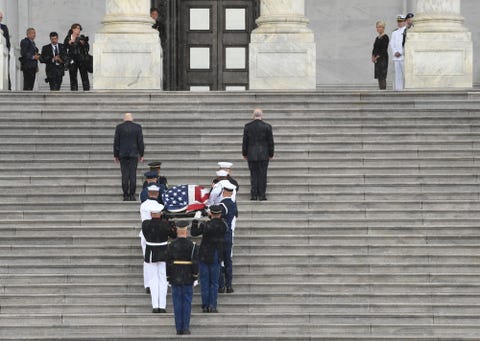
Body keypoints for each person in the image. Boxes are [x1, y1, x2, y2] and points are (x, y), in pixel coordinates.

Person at [191, 205, 227, 313]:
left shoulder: (206, 225)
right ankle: (213, 305)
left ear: (211, 213)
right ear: (220, 214)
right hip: (216, 254)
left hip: (204, 254)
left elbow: (194, 232)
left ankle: (205, 305)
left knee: (205, 281)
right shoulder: (223, 226)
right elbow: (220, 222)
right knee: (214, 282)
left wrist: (195, 220)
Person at [166, 221, 199, 335]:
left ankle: (178, 328)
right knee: (187, 303)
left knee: (177, 304)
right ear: (186, 231)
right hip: (188, 277)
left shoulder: (171, 245)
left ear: (177, 231)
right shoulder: (193, 245)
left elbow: (168, 263)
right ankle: (185, 327)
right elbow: (195, 263)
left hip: (175, 276)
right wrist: (195, 276)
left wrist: (168, 277)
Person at [142, 206, 177, 313]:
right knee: (163, 280)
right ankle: (162, 306)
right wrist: (171, 224)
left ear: (151, 213)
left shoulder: (145, 224)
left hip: (151, 253)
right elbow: (174, 236)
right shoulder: (165, 224)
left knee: (153, 280)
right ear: (160, 213)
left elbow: (146, 234)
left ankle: (155, 306)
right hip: (163, 253)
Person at [242, 108, 274, 201]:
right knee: (263, 175)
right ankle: (262, 195)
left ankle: (254, 195)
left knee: (253, 175)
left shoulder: (248, 126)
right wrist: (271, 153)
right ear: (261, 115)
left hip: (251, 155)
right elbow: (270, 142)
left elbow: (245, 142)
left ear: (253, 115)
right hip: (264, 154)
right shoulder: (267, 126)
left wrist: (244, 153)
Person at [114, 113, 145, 201]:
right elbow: (140, 141)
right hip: (134, 154)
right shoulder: (137, 127)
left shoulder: (119, 127)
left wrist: (115, 155)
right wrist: (141, 154)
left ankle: (125, 195)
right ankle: (132, 195)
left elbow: (116, 142)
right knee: (132, 175)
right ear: (132, 119)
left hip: (122, 154)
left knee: (124, 175)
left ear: (124, 119)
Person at [139, 187, 163, 294]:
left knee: (147, 260)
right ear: (157, 194)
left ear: (148, 193)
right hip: (157, 235)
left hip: (145, 233)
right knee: (158, 261)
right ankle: (157, 282)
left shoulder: (143, 205)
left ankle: (148, 284)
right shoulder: (159, 207)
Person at [218, 182, 238, 294]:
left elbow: (216, 214)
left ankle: (221, 285)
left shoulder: (223, 204)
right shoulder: (233, 204)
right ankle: (229, 285)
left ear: (224, 192)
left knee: (220, 261)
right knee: (228, 261)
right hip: (229, 235)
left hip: (221, 236)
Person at [64, 23, 90, 91]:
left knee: (84, 76)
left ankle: (87, 91)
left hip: (81, 60)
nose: (78, 30)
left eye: (79, 29)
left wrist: (83, 44)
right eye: (77, 29)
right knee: (73, 77)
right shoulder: (68, 38)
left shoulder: (82, 38)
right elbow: (64, 49)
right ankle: (74, 92)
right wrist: (68, 43)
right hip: (72, 60)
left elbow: (87, 48)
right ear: (73, 29)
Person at [389, 15, 406, 91]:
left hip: (404, 56)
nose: (399, 23)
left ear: (404, 22)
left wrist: (401, 52)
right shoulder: (394, 32)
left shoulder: (407, 31)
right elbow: (392, 43)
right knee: (398, 75)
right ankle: (399, 89)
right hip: (396, 57)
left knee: (405, 74)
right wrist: (395, 52)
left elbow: (406, 43)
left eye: (401, 21)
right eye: (398, 21)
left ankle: (405, 89)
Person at [371, 21, 389, 90]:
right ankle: (380, 89)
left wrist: (377, 57)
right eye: (377, 27)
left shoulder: (385, 37)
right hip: (377, 59)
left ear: (383, 28)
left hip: (383, 59)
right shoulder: (377, 38)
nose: (378, 28)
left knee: (382, 76)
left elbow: (384, 49)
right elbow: (374, 48)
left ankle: (383, 91)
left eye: (380, 27)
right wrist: (373, 56)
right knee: (378, 76)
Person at [0, 11, 11, 90]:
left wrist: (8, 51)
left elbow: (7, 41)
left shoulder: (4, 27)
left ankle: (8, 87)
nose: (0, 18)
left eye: (1, 17)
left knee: (5, 72)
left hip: (3, 53)